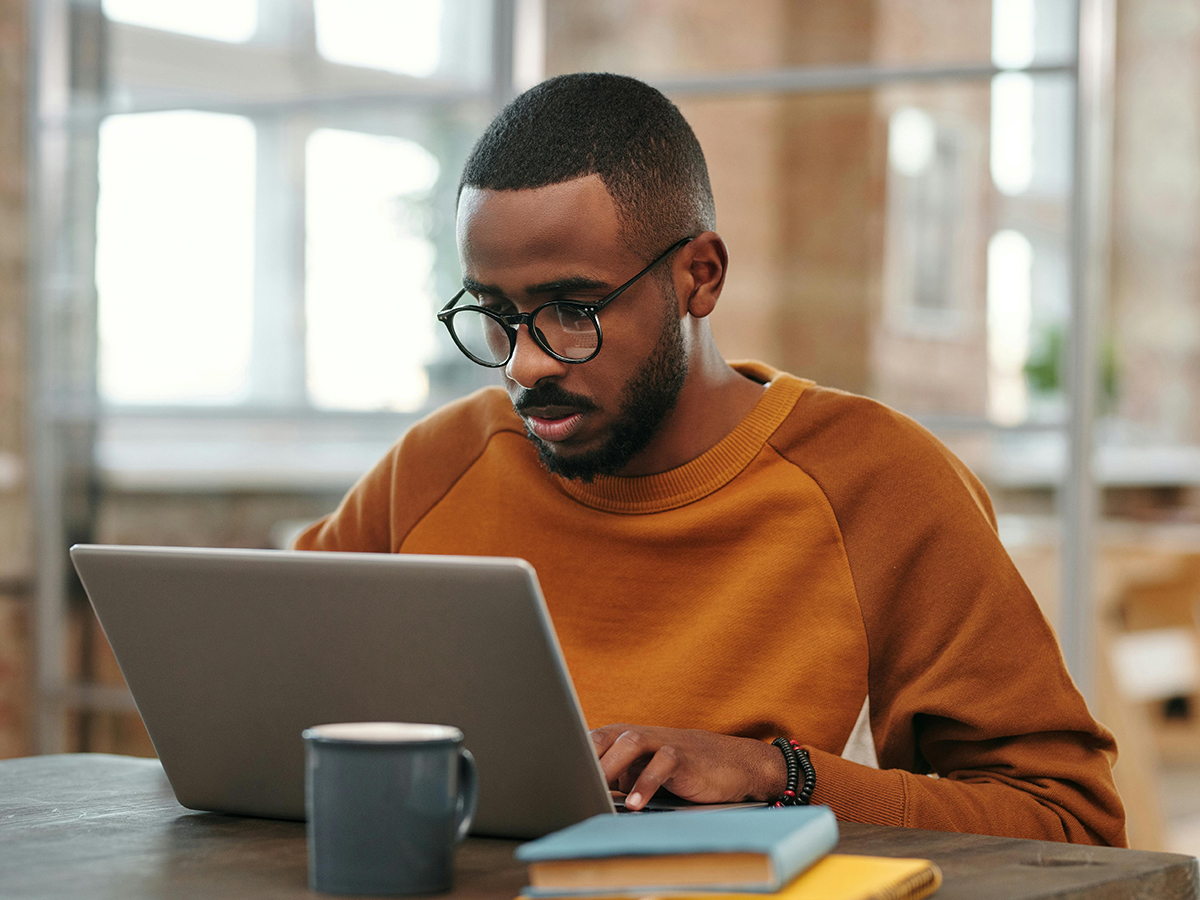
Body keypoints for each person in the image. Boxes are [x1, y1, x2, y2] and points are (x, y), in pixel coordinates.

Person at [294, 72, 1126, 847]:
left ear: (701, 275)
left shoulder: (878, 481)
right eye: (497, 314)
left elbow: (1071, 823)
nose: (525, 364)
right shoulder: (440, 462)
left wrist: (778, 775)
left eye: (573, 309)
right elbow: (262, 687)